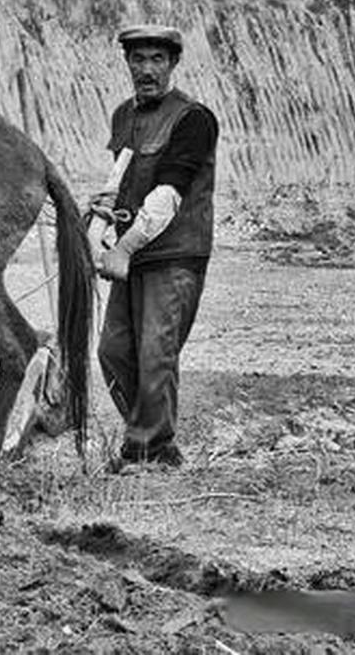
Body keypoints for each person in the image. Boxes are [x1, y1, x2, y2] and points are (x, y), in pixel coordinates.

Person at [91, 24, 219, 470]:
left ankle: (150, 450)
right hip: (135, 252)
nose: (147, 69)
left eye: (157, 59)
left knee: (155, 354)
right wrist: (101, 214)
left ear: (173, 63)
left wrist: (123, 249)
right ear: (127, 62)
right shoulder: (123, 116)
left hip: (176, 254)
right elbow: (122, 181)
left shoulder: (192, 119)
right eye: (138, 59)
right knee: (113, 351)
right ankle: (148, 442)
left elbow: (167, 195)